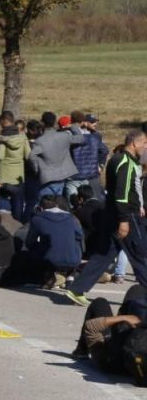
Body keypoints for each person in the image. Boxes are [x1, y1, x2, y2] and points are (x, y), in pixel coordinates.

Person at [66, 130, 147, 306]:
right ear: (135, 143)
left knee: (104, 254)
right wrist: (124, 220)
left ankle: (76, 289)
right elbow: (121, 194)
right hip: (126, 216)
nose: (146, 148)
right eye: (145, 144)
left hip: (114, 214)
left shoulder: (120, 159)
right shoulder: (125, 162)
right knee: (141, 253)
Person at [71, 283, 147, 369]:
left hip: (109, 360)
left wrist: (123, 318)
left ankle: (81, 350)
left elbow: (91, 326)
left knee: (100, 302)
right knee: (137, 290)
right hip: (132, 358)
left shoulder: (106, 350)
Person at [25, 195, 84, 289]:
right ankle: (71, 276)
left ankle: (48, 277)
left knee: (38, 247)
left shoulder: (37, 219)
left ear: (40, 207)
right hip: (73, 259)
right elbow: (80, 236)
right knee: (76, 241)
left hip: (49, 260)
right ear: (56, 205)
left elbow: (29, 242)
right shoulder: (72, 218)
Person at [29, 111, 83, 199]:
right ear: (54, 122)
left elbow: (31, 156)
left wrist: (37, 170)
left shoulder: (40, 141)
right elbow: (80, 139)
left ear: (42, 122)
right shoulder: (64, 136)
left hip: (47, 178)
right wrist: (73, 126)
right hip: (62, 175)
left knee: (46, 203)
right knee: (58, 202)